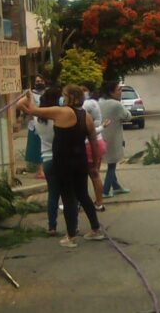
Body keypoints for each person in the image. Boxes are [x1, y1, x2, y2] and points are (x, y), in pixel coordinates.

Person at [20, 85, 104, 248]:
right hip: (80, 161)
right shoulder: (85, 116)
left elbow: (32, 111)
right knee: (83, 195)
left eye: (64, 95)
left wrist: (28, 96)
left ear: (69, 97)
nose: (62, 98)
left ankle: (71, 236)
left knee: (68, 198)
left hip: (64, 162)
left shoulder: (61, 112)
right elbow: (93, 141)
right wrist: (94, 163)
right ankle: (96, 229)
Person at [19, 86, 62, 236]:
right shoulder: (59, 117)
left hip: (47, 162)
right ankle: (72, 228)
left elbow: (21, 104)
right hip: (62, 160)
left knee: (53, 195)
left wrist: (29, 97)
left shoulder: (38, 119)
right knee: (69, 195)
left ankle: (52, 227)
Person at [98, 81, 132, 199]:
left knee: (111, 163)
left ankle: (116, 187)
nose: (120, 92)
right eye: (118, 90)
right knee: (112, 165)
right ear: (111, 92)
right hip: (112, 138)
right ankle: (106, 191)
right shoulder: (116, 104)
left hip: (101, 137)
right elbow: (128, 116)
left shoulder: (99, 102)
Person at [79, 82, 107, 212]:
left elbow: (89, 130)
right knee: (96, 175)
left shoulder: (84, 106)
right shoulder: (95, 103)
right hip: (99, 143)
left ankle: (80, 203)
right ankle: (99, 202)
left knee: (82, 177)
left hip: (88, 145)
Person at [23, 75, 47, 179]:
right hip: (35, 125)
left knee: (46, 147)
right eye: (37, 81)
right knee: (37, 148)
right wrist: (29, 112)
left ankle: (46, 170)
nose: (39, 82)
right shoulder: (31, 95)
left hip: (46, 124)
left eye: (41, 80)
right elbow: (19, 104)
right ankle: (40, 171)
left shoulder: (47, 93)